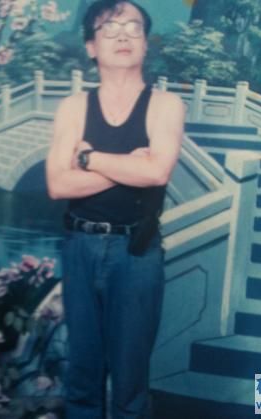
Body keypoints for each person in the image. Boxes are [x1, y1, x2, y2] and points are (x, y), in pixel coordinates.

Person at [46, 1, 184, 418]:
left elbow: (157, 172)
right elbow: (58, 184)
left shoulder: (165, 105)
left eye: (133, 27)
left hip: (136, 253)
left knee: (129, 381)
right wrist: (129, 166)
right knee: (82, 375)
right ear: (91, 46)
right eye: (109, 27)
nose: (123, 34)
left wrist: (88, 159)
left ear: (145, 42)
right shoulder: (74, 107)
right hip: (79, 246)